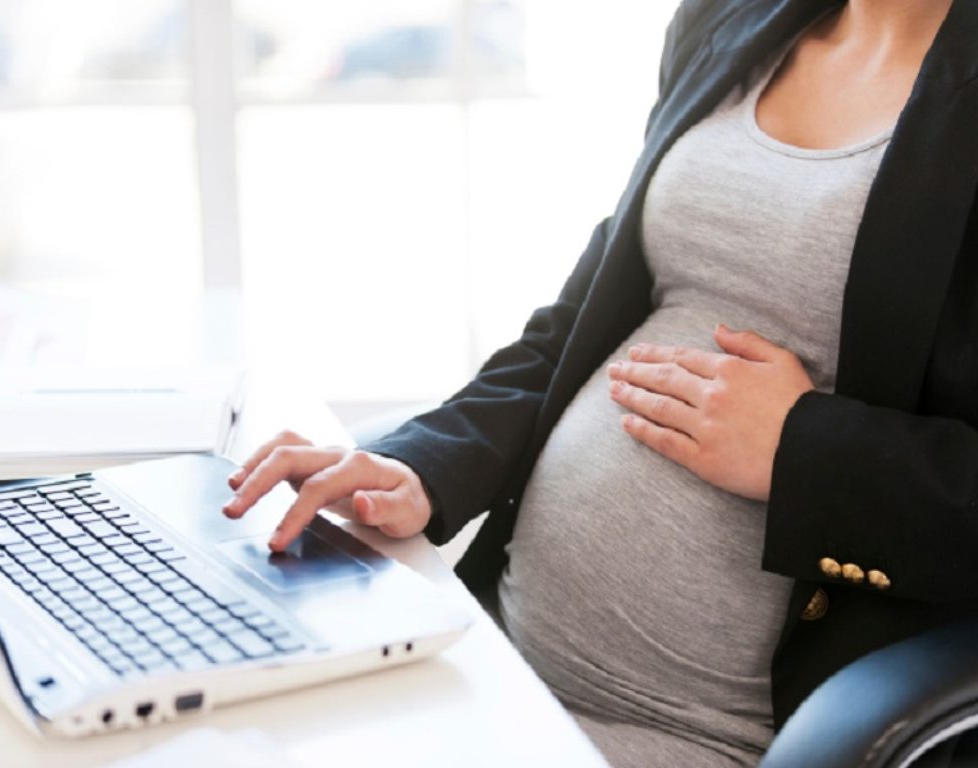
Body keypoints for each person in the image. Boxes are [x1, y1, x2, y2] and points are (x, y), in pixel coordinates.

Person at [222, 0, 978, 765]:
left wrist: (803, 451)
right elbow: (582, 327)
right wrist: (421, 463)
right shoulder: (731, 19)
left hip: (699, 734)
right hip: (492, 659)